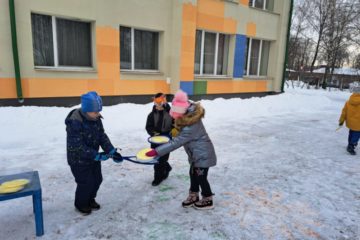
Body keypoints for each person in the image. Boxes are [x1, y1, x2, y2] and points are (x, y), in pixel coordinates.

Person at [145, 90, 217, 210]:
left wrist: (157, 151)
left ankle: (208, 198)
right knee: (193, 175)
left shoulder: (190, 126)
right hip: (196, 155)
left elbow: (176, 143)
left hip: (203, 155)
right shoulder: (188, 115)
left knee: (201, 177)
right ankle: (193, 195)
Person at [65, 91, 123, 215]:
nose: (98, 114)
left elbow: (101, 136)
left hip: (93, 158)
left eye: (99, 111)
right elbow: (77, 146)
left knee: (97, 179)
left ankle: (90, 199)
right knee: (86, 182)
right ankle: (81, 204)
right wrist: (96, 155)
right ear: (86, 110)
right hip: (78, 160)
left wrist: (111, 151)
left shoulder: (95, 118)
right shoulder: (74, 122)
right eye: (95, 112)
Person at [145, 93, 173, 186]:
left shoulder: (170, 114)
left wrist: (172, 132)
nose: (158, 105)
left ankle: (160, 176)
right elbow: (148, 127)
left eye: (160, 103)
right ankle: (163, 172)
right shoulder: (151, 115)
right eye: (156, 103)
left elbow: (176, 123)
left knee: (162, 159)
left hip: (166, 140)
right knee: (157, 159)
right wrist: (153, 133)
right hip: (155, 140)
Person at [339, 84, 360, 155]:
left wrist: (341, 121)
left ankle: (350, 143)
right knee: (356, 134)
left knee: (351, 133)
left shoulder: (348, 102)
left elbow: (344, 112)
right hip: (358, 124)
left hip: (350, 122)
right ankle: (351, 145)